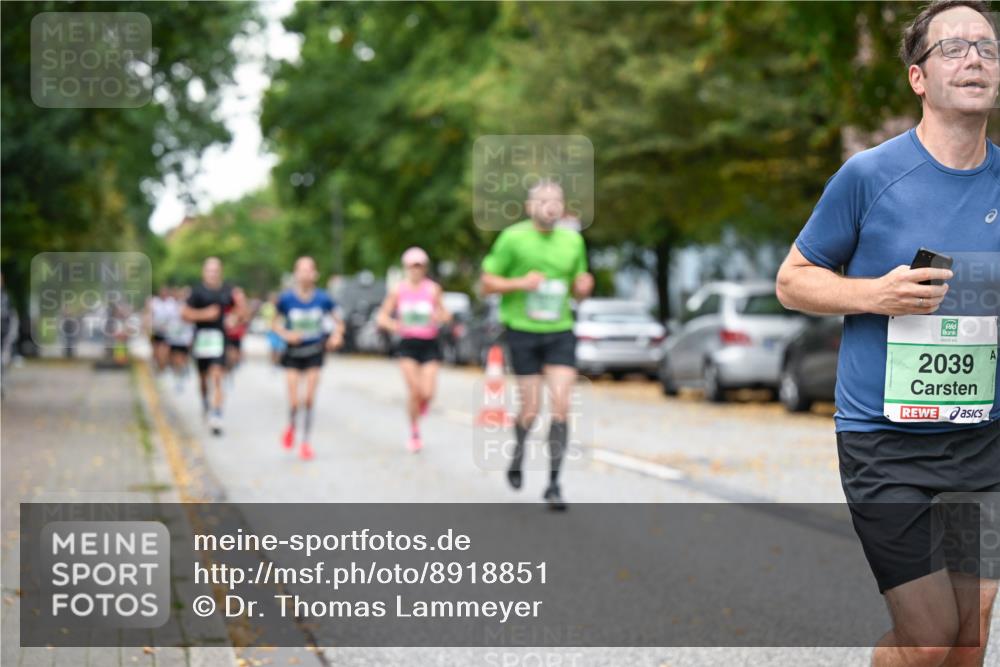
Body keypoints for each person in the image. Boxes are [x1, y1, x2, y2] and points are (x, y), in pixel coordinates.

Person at [776, 2, 1000, 665]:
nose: (974, 58)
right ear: (917, 78)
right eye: (953, 48)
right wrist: (874, 293)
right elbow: (793, 278)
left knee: (970, 636)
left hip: (981, 438)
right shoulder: (871, 176)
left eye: (987, 47)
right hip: (885, 441)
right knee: (930, 635)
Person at [480, 180, 594, 510]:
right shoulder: (513, 238)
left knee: (561, 405)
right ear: (530, 207)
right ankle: (518, 453)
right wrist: (520, 283)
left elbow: (577, 288)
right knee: (530, 409)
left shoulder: (573, 241)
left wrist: (584, 288)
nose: (551, 205)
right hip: (523, 330)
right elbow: (486, 284)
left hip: (560, 330)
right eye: (543, 200)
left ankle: (554, 484)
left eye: (556, 200)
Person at [375, 247, 451, 453]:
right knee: (415, 390)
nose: (416, 270)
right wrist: (396, 325)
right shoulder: (398, 290)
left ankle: (421, 406)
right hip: (407, 344)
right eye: (412, 266)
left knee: (428, 393)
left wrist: (439, 317)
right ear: (406, 267)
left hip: (429, 344)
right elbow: (381, 317)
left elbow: (446, 315)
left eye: (419, 266)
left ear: (424, 268)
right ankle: (415, 431)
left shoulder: (433, 289)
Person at [273, 257, 343, 461]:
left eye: (309, 270)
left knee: (309, 400)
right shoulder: (286, 299)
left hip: (314, 353)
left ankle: (305, 442)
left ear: (315, 274)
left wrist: (337, 335)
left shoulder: (323, 299)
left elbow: (339, 322)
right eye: (301, 270)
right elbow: (275, 325)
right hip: (293, 355)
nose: (305, 274)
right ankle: (292, 426)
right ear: (296, 274)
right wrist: (287, 335)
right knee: (295, 402)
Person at [182, 258, 243, 436]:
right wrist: (205, 314)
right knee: (203, 380)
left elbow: (240, 309)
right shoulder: (196, 291)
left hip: (219, 339)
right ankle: (205, 404)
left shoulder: (228, 290)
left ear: (220, 272)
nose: (213, 274)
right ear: (204, 272)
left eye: (215, 270)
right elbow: (184, 313)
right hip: (201, 339)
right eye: (209, 270)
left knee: (217, 375)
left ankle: (217, 414)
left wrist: (235, 317)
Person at [165, 286, 194, 392]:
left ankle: (182, 372)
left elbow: (191, 321)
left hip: (185, 337)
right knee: (174, 358)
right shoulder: (169, 305)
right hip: (173, 337)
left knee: (182, 358)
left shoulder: (187, 306)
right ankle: (178, 377)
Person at [145, 286, 174, 372]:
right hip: (156, 331)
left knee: (164, 353)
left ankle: (163, 368)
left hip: (167, 333)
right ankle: (157, 366)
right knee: (156, 352)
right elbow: (149, 315)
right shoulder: (155, 302)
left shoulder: (171, 303)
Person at [223, 286, 249, 375]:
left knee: (235, 357)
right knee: (230, 355)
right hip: (227, 336)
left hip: (236, 336)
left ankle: (230, 370)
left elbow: (244, 321)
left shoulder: (243, 309)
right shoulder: (227, 307)